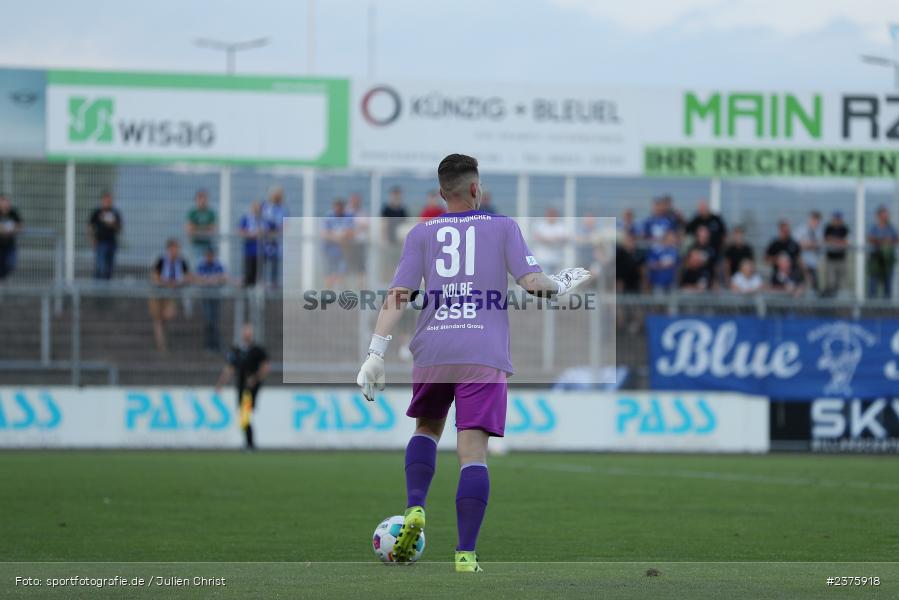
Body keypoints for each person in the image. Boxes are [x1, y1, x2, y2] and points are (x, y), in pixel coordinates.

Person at [355, 154, 590, 572]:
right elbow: (535, 285)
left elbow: (398, 295)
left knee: (426, 429)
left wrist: (375, 353)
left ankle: (415, 508)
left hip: (434, 348)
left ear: (443, 194)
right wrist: (561, 283)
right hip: (482, 353)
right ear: (477, 189)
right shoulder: (503, 227)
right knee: (473, 453)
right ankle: (465, 554)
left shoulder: (421, 233)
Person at [216, 323, 270, 451]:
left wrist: (255, 378)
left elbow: (265, 367)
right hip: (241, 386)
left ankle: (250, 444)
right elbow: (229, 369)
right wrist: (220, 384)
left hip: (251, 388)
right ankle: (249, 443)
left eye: (249, 332)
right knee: (243, 415)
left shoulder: (258, 350)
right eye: (245, 332)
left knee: (244, 414)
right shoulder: (236, 350)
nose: (247, 335)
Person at [149, 238, 191, 353]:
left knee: (168, 315)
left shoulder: (181, 261)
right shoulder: (161, 260)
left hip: (171, 293)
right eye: (174, 248)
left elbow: (187, 276)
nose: (176, 251)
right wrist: (166, 282)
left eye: (177, 248)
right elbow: (155, 276)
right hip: (158, 293)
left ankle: (162, 325)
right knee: (158, 320)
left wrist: (178, 282)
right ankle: (161, 345)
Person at [195, 247, 228, 353]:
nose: (209, 258)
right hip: (206, 296)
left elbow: (223, 278)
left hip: (215, 296)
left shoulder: (218, 264)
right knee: (209, 320)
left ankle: (215, 344)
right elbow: (198, 279)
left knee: (215, 320)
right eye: (207, 255)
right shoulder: (201, 264)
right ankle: (209, 344)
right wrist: (211, 280)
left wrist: (210, 280)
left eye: (211, 255)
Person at [321, 198, 355, 289]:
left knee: (342, 274)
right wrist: (336, 237)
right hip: (330, 252)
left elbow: (351, 232)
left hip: (344, 252)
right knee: (329, 274)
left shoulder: (348, 216)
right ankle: (327, 296)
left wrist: (341, 236)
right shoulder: (329, 217)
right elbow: (324, 233)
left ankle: (343, 296)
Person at [88, 191, 122, 280]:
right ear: (102, 201)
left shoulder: (115, 213)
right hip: (100, 243)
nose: (108, 202)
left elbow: (119, 228)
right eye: (106, 200)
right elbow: (90, 226)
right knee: (101, 267)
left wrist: (111, 223)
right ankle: (97, 290)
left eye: (109, 200)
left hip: (111, 243)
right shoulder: (97, 212)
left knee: (109, 269)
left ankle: (106, 291)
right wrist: (92, 239)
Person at [867, 205, 898, 299]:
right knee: (873, 283)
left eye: (886, 215)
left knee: (887, 284)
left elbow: (896, 239)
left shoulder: (891, 228)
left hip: (888, 261)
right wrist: (884, 240)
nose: (885, 217)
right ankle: (871, 307)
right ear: (878, 216)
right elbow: (870, 239)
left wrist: (883, 241)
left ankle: (887, 307)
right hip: (875, 260)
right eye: (883, 215)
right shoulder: (874, 228)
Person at [262, 186, 288, 286]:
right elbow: (264, 221)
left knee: (275, 267)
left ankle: (274, 286)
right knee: (263, 266)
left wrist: (278, 230)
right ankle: (263, 286)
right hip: (266, 243)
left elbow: (285, 224)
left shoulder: (283, 209)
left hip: (277, 242)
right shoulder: (266, 207)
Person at [531, 207, 568, 273]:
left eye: (553, 215)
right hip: (542, 260)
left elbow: (564, 238)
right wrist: (552, 239)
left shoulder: (560, 226)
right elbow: (537, 237)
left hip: (557, 260)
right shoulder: (540, 225)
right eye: (549, 215)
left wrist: (547, 239)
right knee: (544, 281)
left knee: (556, 281)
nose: (551, 217)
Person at [793, 211, 823, 293]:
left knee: (814, 287)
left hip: (813, 264)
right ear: (810, 219)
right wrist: (811, 244)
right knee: (800, 286)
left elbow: (819, 245)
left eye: (817, 221)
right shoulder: (801, 229)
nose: (815, 223)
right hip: (802, 264)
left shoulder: (819, 231)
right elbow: (796, 244)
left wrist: (807, 244)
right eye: (814, 220)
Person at [185, 189, 216, 264]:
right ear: (196, 200)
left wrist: (197, 228)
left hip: (208, 245)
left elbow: (213, 229)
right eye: (200, 199)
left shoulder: (211, 213)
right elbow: (189, 230)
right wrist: (205, 228)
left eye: (205, 198)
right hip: (195, 244)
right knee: (196, 265)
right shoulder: (192, 212)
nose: (203, 201)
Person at [239, 201, 265, 287]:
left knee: (259, 277)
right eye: (256, 207)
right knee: (249, 276)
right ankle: (247, 298)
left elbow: (269, 230)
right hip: (249, 252)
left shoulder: (264, 219)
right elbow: (241, 231)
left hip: (261, 253)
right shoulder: (246, 218)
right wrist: (252, 234)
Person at [346, 193, 370, 288]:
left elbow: (364, 226)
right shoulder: (347, 212)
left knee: (361, 266)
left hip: (360, 243)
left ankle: (361, 287)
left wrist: (354, 231)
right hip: (349, 244)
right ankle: (348, 287)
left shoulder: (362, 213)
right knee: (349, 266)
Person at [823, 211, 849, 296]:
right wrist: (839, 241)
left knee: (841, 283)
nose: (837, 220)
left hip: (841, 259)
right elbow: (827, 240)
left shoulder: (844, 228)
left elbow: (845, 243)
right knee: (831, 282)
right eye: (835, 218)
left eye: (838, 218)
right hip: (831, 259)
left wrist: (834, 241)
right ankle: (830, 303)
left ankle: (839, 305)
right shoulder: (828, 228)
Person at [646, 229, 679, 294]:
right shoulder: (655, 250)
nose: (672, 240)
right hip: (658, 282)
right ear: (665, 238)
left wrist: (664, 264)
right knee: (658, 302)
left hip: (670, 282)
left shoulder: (674, 251)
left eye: (673, 238)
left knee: (671, 302)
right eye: (670, 238)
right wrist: (662, 264)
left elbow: (675, 265)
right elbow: (650, 264)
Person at [0, 195, 23, 280]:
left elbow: (20, 226)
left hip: (10, 245)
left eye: (7, 202)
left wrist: (7, 229)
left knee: (11, 263)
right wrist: (9, 228)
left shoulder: (13, 213)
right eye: (3, 202)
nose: (5, 204)